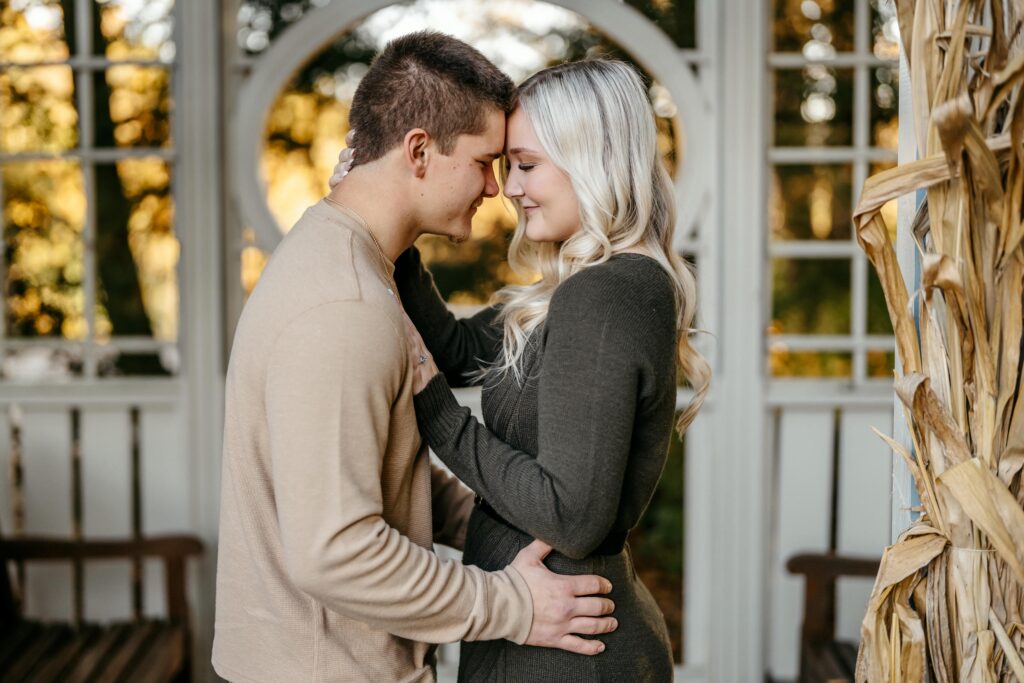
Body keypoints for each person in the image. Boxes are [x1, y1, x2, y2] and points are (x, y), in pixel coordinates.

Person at [213, 32, 618, 683]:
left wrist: (507, 524)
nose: (496, 187)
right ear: (420, 151)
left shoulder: (342, 261)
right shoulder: (344, 307)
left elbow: (373, 470)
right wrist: (511, 605)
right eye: (485, 161)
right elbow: (336, 553)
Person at [333, 58, 710, 681]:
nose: (509, 187)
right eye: (508, 166)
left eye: (527, 165)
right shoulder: (588, 287)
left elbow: (571, 515)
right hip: (546, 631)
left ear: (592, 159)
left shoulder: (607, 296)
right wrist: (388, 225)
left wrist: (435, 409)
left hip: (564, 653)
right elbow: (457, 350)